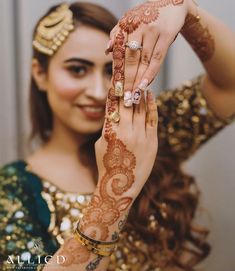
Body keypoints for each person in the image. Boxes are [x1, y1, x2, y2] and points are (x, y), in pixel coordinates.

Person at [0, 1, 234, 271]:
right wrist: (115, 190)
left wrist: (186, 11)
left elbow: (230, 85)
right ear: (40, 74)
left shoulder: (147, 137)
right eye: (77, 69)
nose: (99, 92)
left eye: (112, 71)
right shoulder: (13, 191)